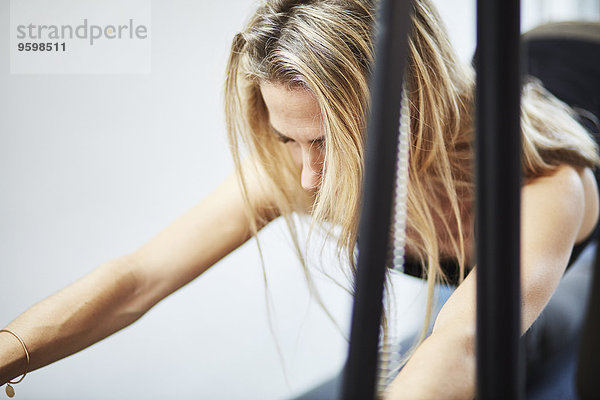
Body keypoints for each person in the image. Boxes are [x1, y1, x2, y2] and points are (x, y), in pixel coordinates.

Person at [1, 0, 599, 399]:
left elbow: (465, 343)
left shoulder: (546, 187)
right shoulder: (301, 166)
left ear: (408, 111)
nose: (309, 177)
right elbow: (138, 279)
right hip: (490, 90)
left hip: (575, 107)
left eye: (329, 142)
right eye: (291, 139)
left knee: (542, 344)